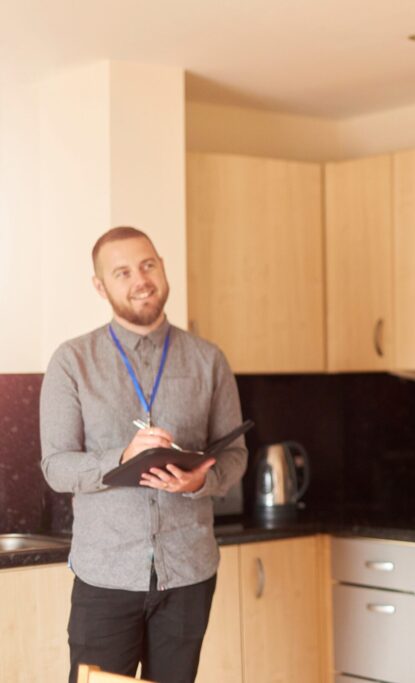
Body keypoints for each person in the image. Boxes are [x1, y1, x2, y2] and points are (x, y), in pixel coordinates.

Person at [40, 226, 247, 683]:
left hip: (188, 573)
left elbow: (235, 455)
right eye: (123, 271)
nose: (141, 279)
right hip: (106, 576)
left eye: (148, 264)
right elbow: (56, 466)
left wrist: (202, 482)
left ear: (162, 267)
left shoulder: (209, 360)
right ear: (101, 286)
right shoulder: (71, 361)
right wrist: (121, 457)